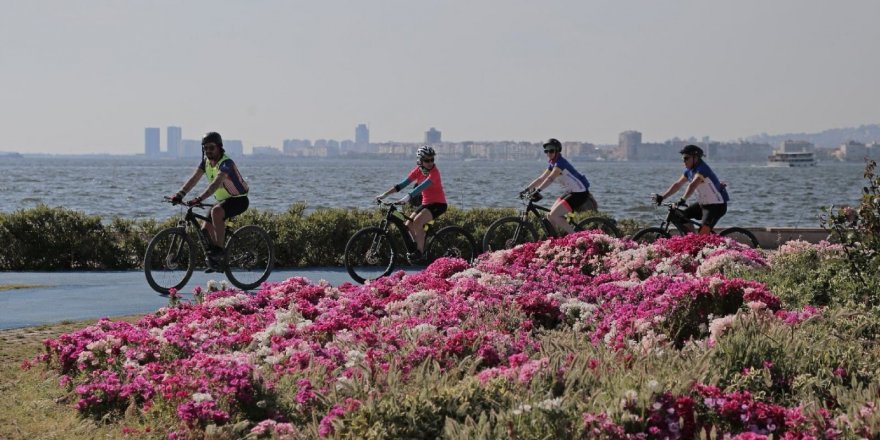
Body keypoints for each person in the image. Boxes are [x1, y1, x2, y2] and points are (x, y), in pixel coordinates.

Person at [169, 132, 250, 270]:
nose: (208, 151)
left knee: (217, 212)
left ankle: (220, 251)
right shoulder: (205, 162)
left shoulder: (226, 163)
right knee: (205, 229)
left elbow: (215, 184)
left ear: (219, 147)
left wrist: (199, 199)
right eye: (205, 148)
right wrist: (180, 194)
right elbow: (193, 179)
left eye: (211, 147)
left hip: (239, 200)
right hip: (223, 200)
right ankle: (216, 262)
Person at [375, 146, 447, 262]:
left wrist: (407, 197)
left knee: (417, 222)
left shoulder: (435, 173)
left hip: (438, 204)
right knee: (408, 224)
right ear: (420, 160)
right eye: (427, 160)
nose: (430, 163)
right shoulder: (418, 171)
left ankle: (420, 252)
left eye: (432, 160)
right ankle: (419, 243)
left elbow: (421, 187)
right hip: (426, 204)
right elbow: (402, 185)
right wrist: (384, 195)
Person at [521, 138, 597, 236]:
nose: (549, 153)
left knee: (554, 215)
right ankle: (556, 240)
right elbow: (541, 179)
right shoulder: (552, 164)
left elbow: (550, 178)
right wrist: (526, 189)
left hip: (580, 193)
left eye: (551, 150)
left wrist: (538, 190)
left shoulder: (560, 163)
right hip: (571, 191)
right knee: (549, 215)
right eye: (546, 151)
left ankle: (576, 237)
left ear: (557, 151)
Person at [652, 144, 729, 234]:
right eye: (683, 159)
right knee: (680, 217)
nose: (684, 162)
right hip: (703, 204)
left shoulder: (702, 169)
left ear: (695, 158)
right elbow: (677, 184)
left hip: (717, 206)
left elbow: (692, 185)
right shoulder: (689, 171)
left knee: (703, 234)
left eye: (686, 158)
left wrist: (683, 199)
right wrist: (662, 197)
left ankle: (713, 245)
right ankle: (692, 240)